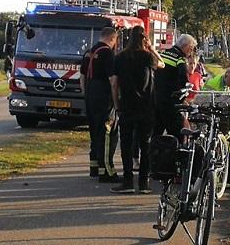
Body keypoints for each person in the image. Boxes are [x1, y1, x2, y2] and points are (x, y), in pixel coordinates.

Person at [110, 26, 164, 194]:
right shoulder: (148, 57)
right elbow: (162, 64)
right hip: (147, 106)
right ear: (144, 39)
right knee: (145, 143)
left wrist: (116, 104)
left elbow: (114, 82)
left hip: (127, 105)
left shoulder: (120, 58)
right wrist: (152, 49)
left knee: (126, 144)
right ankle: (144, 182)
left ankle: (127, 181)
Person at [80, 27, 121, 182]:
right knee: (107, 134)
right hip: (104, 98)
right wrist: (116, 102)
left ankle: (94, 167)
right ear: (112, 38)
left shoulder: (89, 52)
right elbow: (112, 80)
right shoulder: (108, 53)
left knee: (94, 133)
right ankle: (107, 172)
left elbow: (82, 78)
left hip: (90, 97)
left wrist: (86, 96)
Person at [154, 34, 197, 138]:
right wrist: (183, 98)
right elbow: (184, 82)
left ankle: (152, 153)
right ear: (186, 46)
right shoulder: (180, 60)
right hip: (171, 102)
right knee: (178, 134)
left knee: (156, 133)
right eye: (191, 49)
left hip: (156, 99)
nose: (190, 52)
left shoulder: (163, 54)